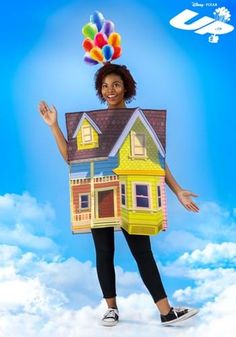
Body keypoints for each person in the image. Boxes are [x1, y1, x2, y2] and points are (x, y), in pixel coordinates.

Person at [39, 63, 200, 327]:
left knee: (143, 252)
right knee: (104, 251)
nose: (110, 90)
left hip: (132, 194)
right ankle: (111, 309)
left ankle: (166, 312)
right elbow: (72, 158)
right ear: (100, 91)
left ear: (126, 87)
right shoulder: (93, 123)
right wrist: (53, 125)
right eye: (105, 86)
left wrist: (178, 190)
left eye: (115, 84)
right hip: (99, 193)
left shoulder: (138, 120)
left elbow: (155, 160)